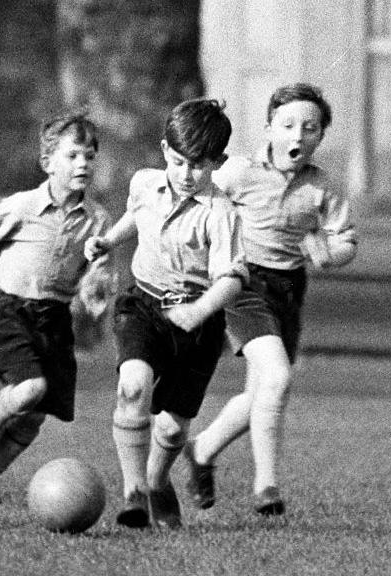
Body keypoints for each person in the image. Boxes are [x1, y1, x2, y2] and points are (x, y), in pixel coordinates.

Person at [183, 83, 357, 517]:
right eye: (288, 125)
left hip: (288, 289)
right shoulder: (239, 172)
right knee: (278, 378)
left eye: (310, 128)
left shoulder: (323, 187)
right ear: (269, 129)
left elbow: (346, 241)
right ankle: (267, 486)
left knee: (262, 390)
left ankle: (201, 450)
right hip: (243, 285)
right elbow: (197, 200)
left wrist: (330, 254)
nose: (298, 136)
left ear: (321, 136)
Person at [84, 98, 247, 529]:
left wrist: (200, 310)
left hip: (198, 322)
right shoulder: (144, 183)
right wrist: (107, 241)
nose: (186, 174)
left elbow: (232, 279)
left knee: (173, 430)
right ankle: (133, 490)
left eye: (198, 165)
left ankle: (156, 479)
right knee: (133, 386)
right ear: (164, 151)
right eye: (178, 162)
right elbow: (135, 217)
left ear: (218, 162)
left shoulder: (221, 214)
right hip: (143, 304)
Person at [0, 111, 112, 505]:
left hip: (54, 320)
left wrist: (94, 290)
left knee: (34, 416)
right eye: (72, 156)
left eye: (89, 156)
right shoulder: (21, 207)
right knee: (30, 388)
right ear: (48, 163)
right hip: (8, 312)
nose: (83, 164)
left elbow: (99, 269)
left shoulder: (99, 219)